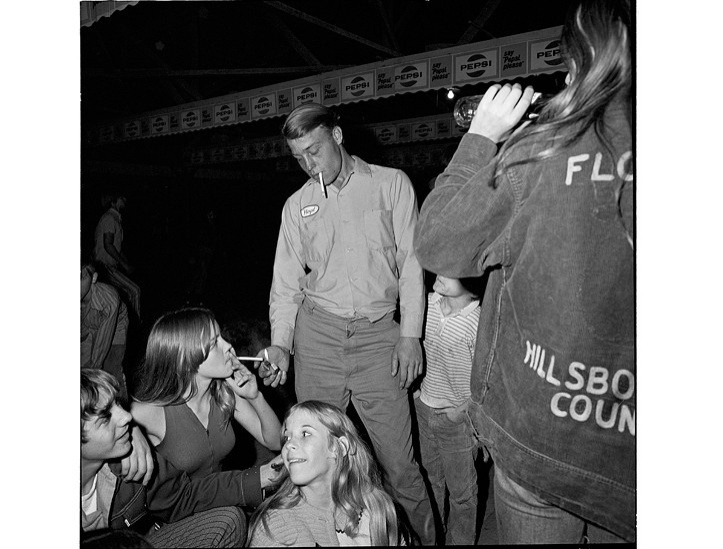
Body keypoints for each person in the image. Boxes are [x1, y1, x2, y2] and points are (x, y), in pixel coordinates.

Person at [413, 0, 635, 543]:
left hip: (540, 438)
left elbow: (439, 242)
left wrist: (482, 136)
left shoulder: (540, 151)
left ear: (582, 63)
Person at [257, 103, 434, 544]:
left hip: (379, 337)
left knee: (400, 465)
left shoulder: (392, 185)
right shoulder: (297, 206)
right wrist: (281, 344)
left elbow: (413, 264)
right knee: (312, 464)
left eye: (314, 150)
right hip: (318, 337)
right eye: (298, 157)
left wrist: (410, 335)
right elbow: (286, 284)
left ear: (337, 135)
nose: (308, 164)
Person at [80, 369, 286, 547]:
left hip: (141, 539)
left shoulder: (131, 459)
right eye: (106, 416)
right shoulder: (154, 414)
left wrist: (258, 477)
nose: (126, 417)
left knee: (230, 520)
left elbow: (184, 496)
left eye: (118, 404)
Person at [130, 307, 283, 483]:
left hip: (220, 497)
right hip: (176, 508)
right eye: (214, 344)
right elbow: (102, 418)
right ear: (184, 359)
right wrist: (130, 428)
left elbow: (275, 442)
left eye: (222, 338)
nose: (228, 346)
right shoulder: (156, 411)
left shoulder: (225, 392)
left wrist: (255, 397)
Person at [247, 401, 409, 547]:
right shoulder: (277, 528)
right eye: (287, 437)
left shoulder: (377, 509)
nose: (289, 445)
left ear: (339, 447)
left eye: (305, 434)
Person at [415, 274, 483, 546]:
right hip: (424, 409)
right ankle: (435, 538)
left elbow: (487, 381)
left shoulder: (477, 323)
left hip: (458, 421)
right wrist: (418, 390)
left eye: (448, 269)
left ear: (472, 279)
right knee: (431, 483)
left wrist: (464, 411)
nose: (438, 272)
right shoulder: (428, 304)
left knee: (462, 494)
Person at [81, 258, 129, 385]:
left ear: (93, 278)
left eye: (80, 278)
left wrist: (93, 371)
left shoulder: (108, 299)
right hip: (88, 324)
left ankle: (118, 402)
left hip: (115, 328)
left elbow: (102, 344)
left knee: (111, 371)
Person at [94, 193, 142, 319]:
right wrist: (125, 265)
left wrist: (126, 263)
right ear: (113, 201)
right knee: (134, 292)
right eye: (122, 198)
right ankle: (135, 326)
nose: (124, 200)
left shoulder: (114, 219)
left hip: (109, 267)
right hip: (104, 267)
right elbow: (108, 245)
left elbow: (116, 248)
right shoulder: (110, 218)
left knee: (117, 299)